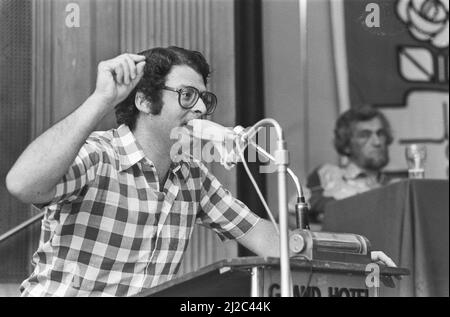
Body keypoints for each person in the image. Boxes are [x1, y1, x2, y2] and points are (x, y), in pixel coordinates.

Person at [6, 47, 395, 296]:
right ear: (143, 99)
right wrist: (100, 99)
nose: (200, 109)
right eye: (187, 96)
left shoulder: (192, 175)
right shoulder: (99, 155)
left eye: (203, 99)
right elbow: (22, 184)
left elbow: (266, 238)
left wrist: (354, 260)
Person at [305, 106, 399, 224]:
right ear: (346, 145)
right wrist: (326, 234)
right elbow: (288, 218)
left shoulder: (396, 187)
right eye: (364, 135)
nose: (377, 142)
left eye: (380, 134)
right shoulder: (327, 175)